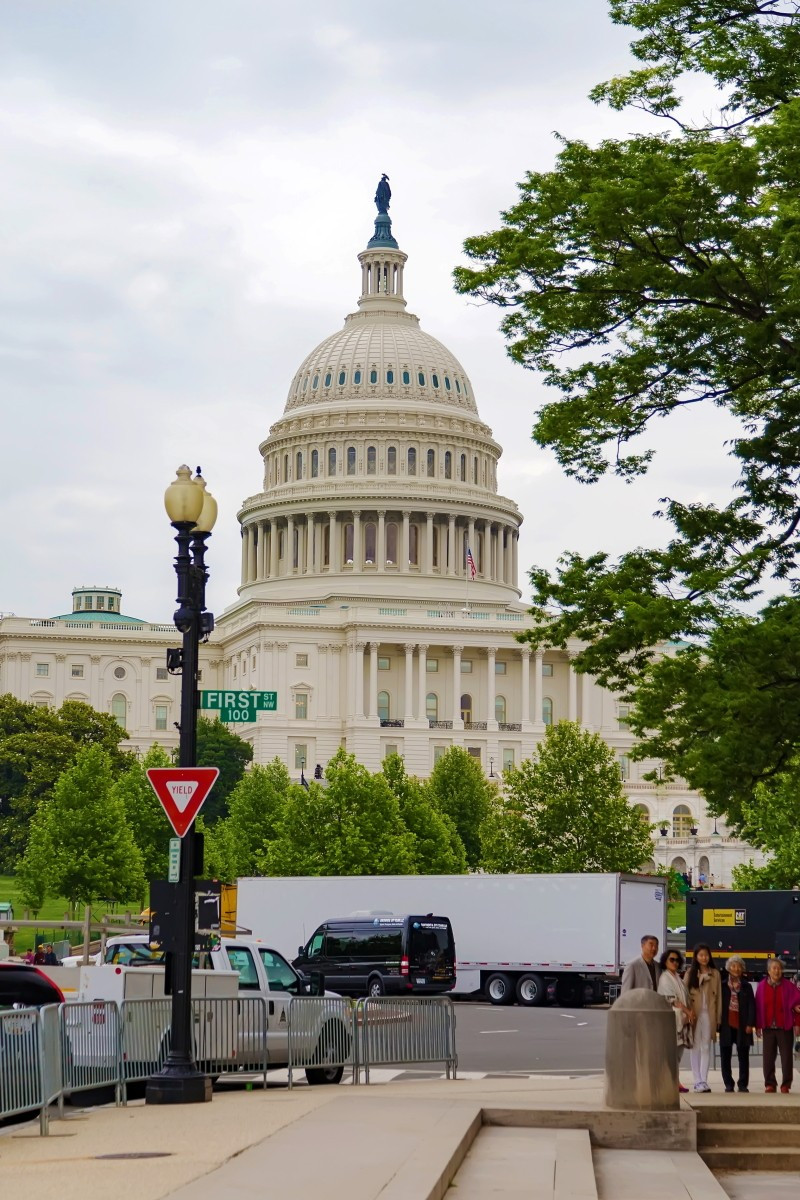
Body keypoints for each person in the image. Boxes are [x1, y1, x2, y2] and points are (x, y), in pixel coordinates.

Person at [755, 957, 800, 1093]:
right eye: (774, 968)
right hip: (768, 1027)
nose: (777, 970)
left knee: (786, 1057)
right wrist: (757, 1026)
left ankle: (786, 1084)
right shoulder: (761, 986)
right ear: (768, 971)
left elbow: (798, 1005)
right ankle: (770, 1083)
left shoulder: (789, 986)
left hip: (784, 1026)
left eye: (779, 968)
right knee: (768, 1058)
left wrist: (797, 1024)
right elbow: (758, 1007)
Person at [685, 943, 722, 1092]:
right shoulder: (690, 973)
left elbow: (718, 997)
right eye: (700, 955)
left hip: (709, 1014)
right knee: (695, 1046)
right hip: (695, 1013)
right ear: (696, 957)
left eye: (706, 955)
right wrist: (687, 1013)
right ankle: (697, 1080)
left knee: (706, 1046)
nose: (704, 958)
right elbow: (685, 994)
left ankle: (704, 1080)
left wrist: (718, 1017)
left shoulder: (715, 974)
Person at [657, 949, 693, 1093]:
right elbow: (670, 999)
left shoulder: (678, 977)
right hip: (672, 1020)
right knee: (671, 1053)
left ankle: (675, 1081)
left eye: (677, 960)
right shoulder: (665, 978)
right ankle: (670, 1082)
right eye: (672, 959)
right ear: (665, 961)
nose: (675, 962)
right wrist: (687, 1011)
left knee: (677, 1055)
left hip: (682, 1020)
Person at [719, 954, 755, 1093]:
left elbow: (752, 1006)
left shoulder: (747, 986)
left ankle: (743, 1084)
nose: (736, 968)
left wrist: (750, 1024)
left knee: (743, 1057)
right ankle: (728, 1083)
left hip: (743, 1025)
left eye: (739, 966)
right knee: (725, 1056)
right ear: (729, 968)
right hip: (726, 1025)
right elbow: (718, 1006)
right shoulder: (722, 985)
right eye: (733, 966)